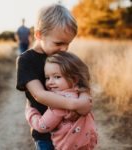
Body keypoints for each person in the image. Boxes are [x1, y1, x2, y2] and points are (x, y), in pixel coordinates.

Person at [16, 4, 92, 150]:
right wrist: (74, 105)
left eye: (68, 43)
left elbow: (82, 76)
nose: (64, 49)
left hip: (72, 132)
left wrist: (84, 96)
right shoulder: (26, 60)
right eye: (58, 43)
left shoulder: (62, 57)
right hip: (46, 134)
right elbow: (40, 95)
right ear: (39, 35)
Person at [25, 51, 98, 150]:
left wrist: (30, 111)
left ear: (74, 79)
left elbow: (42, 126)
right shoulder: (82, 95)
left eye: (57, 77)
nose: (50, 82)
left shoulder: (59, 103)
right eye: (47, 78)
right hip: (86, 145)